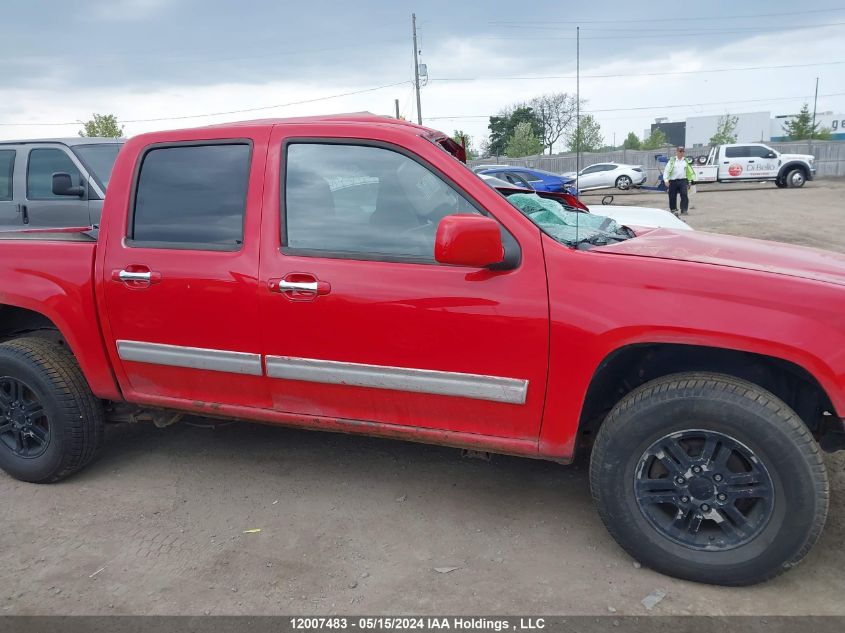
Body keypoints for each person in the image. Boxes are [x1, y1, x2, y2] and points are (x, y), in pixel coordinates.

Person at [663, 146, 695, 215]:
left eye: (683, 151)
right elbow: (666, 171)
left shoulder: (686, 161)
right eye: (680, 151)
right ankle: (673, 210)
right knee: (672, 196)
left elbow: (689, 172)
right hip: (673, 181)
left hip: (683, 180)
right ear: (676, 152)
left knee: (684, 195)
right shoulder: (672, 161)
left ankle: (684, 210)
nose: (681, 153)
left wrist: (689, 181)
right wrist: (666, 180)